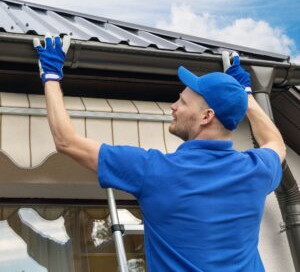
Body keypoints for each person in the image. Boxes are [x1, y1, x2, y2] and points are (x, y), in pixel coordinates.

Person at [33, 33, 286, 272]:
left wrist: (51, 76)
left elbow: (66, 141)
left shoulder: (155, 171)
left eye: (183, 102)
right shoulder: (256, 170)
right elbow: (276, 143)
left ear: (206, 116)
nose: (173, 107)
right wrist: (245, 96)